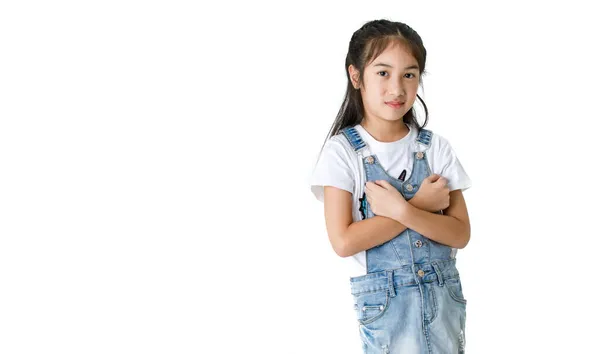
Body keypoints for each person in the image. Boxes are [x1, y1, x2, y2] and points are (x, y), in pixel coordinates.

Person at [310, 19, 472, 353]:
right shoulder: (341, 153)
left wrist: (402, 209)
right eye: (383, 73)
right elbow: (344, 241)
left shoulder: (435, 148)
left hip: (444, 302)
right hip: (387, 308)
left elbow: (460, 234)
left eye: (409, 75)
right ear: (356, 76)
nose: (397, 89)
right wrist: (420, 205)